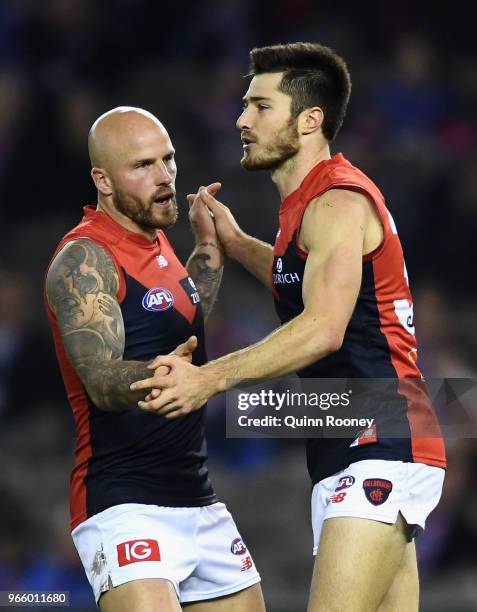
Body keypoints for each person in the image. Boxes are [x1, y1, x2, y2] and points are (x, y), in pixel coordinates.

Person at [130, 44, 447, 612]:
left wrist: (208, 379)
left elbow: (323, 326)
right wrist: (238, 245)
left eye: (260, 106)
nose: (242, 120)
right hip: (352, 438)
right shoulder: (310, 206)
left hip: (381, 436)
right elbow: (309, 285)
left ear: (309, 120)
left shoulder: (336, 202)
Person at [45, 107, 265, 612]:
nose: (164, 177)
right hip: (123, 502)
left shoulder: (157, 238)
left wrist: (208, 250)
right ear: (102, 179)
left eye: (168, 160)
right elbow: (100, 378)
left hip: (197, 496)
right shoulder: (84, 259)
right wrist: (193, 378)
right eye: (142, 166)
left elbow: (174, 318)